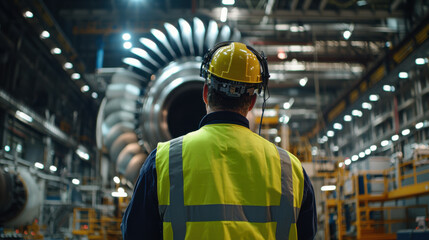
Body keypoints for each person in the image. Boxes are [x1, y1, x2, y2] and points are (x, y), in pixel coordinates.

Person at [121, 41, 317, 239]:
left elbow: (134, 233)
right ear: (252, 102)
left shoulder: (163, 162)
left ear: (206, 93)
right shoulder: (291, 170)